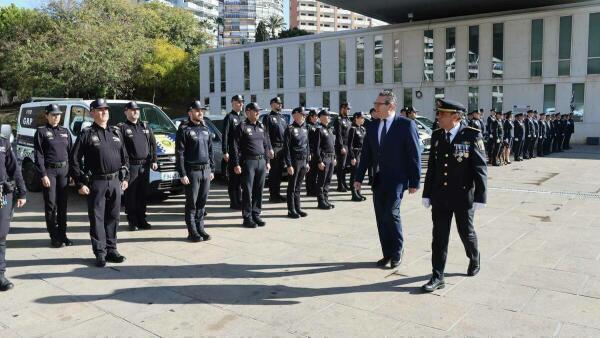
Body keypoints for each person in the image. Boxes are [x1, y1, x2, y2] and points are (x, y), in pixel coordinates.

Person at [421, 98, 487, 292]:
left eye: (442, 113)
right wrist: (427, 194)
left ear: (456, 117)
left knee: (466, 233)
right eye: (438, 113)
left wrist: (480, 196)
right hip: (440, 196)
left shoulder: (471, 136)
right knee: (439, 237)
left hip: (462, 196)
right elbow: (432, 167)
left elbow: (480, 168)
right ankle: (437, 276)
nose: (438, 116)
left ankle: (474, 257)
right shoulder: (437, 135)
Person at [354, 90, 421, 269]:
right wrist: (358, 177)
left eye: (378, 104)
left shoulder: (406, 125)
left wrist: (415, 180)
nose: (375, 107)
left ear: (390, 106)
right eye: (375, 104)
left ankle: (397, 251)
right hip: (379, 179)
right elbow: (366, 154)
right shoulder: (373, 126)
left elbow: (414, 154)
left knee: (392, 214)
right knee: (381, 217)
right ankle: (387, 253)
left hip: (398, 179)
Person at [70, 98, 129, 267]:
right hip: (97, 183)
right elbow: (74, 159)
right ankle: (100, 252)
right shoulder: (87, 134)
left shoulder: (116, 133)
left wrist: (125, 178)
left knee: (113, 217)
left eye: (106, 110)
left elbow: (125, 157)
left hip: (115, 182)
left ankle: (112, 249)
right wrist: (80, 183)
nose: (104, 112)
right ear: (92, 113)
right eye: (100, 110)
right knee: (97, 219)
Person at [33, 104, 72, 248]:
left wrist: (72, 173)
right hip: (50, 172)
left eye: (58, 115)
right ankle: (54, 236)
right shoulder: (42, 132)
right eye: (53, 115)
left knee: (63, 205)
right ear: (47, 115)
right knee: (51, 205)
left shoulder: (65, 131)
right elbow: (39, 155)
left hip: (64, 171)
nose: (56, 117)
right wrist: (43, 175)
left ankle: (63, 235)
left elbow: (70, 154)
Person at [175, 101, 214, 242]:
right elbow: (180, 153)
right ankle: (192, 231)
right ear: (190, 112)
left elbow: (210, 151)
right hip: (192, 172)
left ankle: (200, 228)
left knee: (202, 203)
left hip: (205, 170)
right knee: (191, 203)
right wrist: (182, 173)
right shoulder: (184, 129)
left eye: (201, 110)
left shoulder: (205, 128)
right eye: (197, 110)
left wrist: (212, 169)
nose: (200, 113)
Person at [118, 101, 157, 232]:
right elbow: (121, 149)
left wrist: (154, 159)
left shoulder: (145, 126)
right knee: (131, 195)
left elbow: (153, 143)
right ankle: (132, 221)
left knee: (143, 193)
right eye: (132, 110)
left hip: (145, 166)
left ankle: (142, 219)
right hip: (132, 166)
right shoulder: (122, 128)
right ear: (126, 112)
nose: (135, 112)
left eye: (137, 110)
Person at [232, 103, 272, 228]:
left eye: (258, 111)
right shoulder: (242, 126)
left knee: (258, 190)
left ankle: (256, 214)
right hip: (248, 162)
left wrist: (268, 161)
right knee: (247, 191)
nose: (258, 113)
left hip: (261, 162)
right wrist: (236, 164)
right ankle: (247, 217)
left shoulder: (261, 126)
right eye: (255, 111)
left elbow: (266, 145)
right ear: (248, 112)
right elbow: (234, 147)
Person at [0, 132, 27, 291]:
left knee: (1, 233)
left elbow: (14, 168)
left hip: (1, 194)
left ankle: (0, 274)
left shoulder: (3, 142)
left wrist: (22, 191)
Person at [283, 107, 310, 218]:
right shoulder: (289, 129)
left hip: (303, 160)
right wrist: (289, 165)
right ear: (295, 115)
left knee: (298, 186)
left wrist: (307, 161)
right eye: (302, 114)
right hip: (294, 161)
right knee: (292, 186)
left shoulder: (305, 128)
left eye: (304, 115)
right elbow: (287, 148)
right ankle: (291, 210)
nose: (304, 116)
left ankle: (297, 208)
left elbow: (307, 146)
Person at [222, 95, 244, 210]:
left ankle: (239, 200)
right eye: (238, 102)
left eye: (242, 102)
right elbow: (225, 135)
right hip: (232, 151)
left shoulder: (243, 117)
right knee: (233, 179)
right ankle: (233, 202)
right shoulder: (229, 117)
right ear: (233, 103)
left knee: (240, 179)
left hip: (241, 152)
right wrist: (225, 151)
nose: (241, 104)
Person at [263, 97, 285, 202]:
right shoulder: (268, 117)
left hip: (282, 148)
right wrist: (270, 148)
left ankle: (277, 193)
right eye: (277, 103)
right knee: (274, 173)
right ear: (272, 104)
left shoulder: (282, 117)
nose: (280, 105)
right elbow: (266, 134)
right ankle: (272, 195)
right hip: (274, 147)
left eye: (280, 103)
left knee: (280, 173)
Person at [314, 110, 337, 209]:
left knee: (328, 181)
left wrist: (335, 157)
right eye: (327, 116)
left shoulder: (330, 129)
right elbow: (316, 147)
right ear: (321, 117)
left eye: (329, 116)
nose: (329, 118)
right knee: (321, 181)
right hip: (324, 158)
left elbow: (333, 145)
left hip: (331, 157)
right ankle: (321, 201)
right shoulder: (319, 130)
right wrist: (319, 161)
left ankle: (326, 199)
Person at [347, 111, 367, 202]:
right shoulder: (353, 129)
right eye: (362, 118)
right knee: (354, 175)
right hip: (355, 154)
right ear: (356, 118)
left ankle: (358, 191)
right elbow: (349, 145)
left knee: (360, 175)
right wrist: (352, 157)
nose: (363, 119)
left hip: (362, 154)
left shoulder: (362, 129)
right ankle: (354, 193)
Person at [333, 102, 352, 192]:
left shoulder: (348, 120)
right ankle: (340, 185)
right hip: (342, 146)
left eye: (349, 109)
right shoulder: (338, 120)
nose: (349, 110)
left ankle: (344, 183)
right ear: (342, 109)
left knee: (345, 167)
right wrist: (341, 147)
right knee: (341, 166)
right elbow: (339, 134)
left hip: (348, 146)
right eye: (347, 108)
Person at [305, 109, 319, 197]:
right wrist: (308, 152)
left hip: (316, 151)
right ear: (311, 117)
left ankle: (314, 189)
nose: (317, 118)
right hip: (311, 151)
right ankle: (310, 190)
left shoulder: (317, 125)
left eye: (317, 116)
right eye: (315, 116)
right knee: (310, 173)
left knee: (315, 173)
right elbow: (307, 141)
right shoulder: (308, 126)